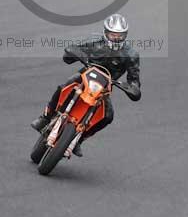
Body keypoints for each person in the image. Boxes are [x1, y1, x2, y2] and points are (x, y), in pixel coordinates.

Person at [31, 13, 141, 157]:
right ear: (105, 32)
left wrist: (132, 87)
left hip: (105, 87)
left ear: (125, 35)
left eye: (120, 35)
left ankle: (79, 139)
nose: (116, 38)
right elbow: (71, 50)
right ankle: (45, 117)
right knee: (65, 85)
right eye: (113, 34)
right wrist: (75, 54)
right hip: (85, 75)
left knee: (108, 116)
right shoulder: (94, 41)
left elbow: (134, 79)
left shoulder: (131, 54)